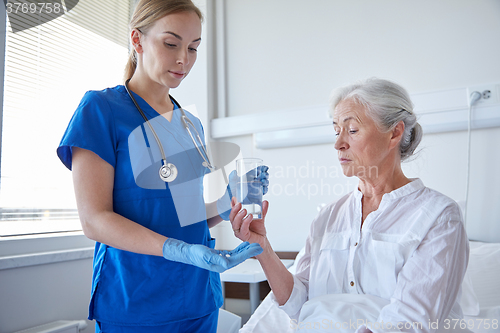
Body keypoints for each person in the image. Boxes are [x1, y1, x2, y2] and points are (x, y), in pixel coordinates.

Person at [56, 0, 268, 332]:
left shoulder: (190, 124)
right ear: (137, 40)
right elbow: (94, 220)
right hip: (135, 300)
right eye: (171, 43)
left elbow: (186, 213)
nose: (184, 59)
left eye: (194, 48)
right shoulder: (101, 110)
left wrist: (229, 201)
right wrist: (177, 250)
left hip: (198, 298)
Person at [230, 78, 470, 332]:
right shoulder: (328, 217)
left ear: (395, 133)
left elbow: (408, 322)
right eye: (336, 131)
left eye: (352, 130)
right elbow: (299, 304)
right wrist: (262, 247)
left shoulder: (438, 217)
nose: (338, 144)